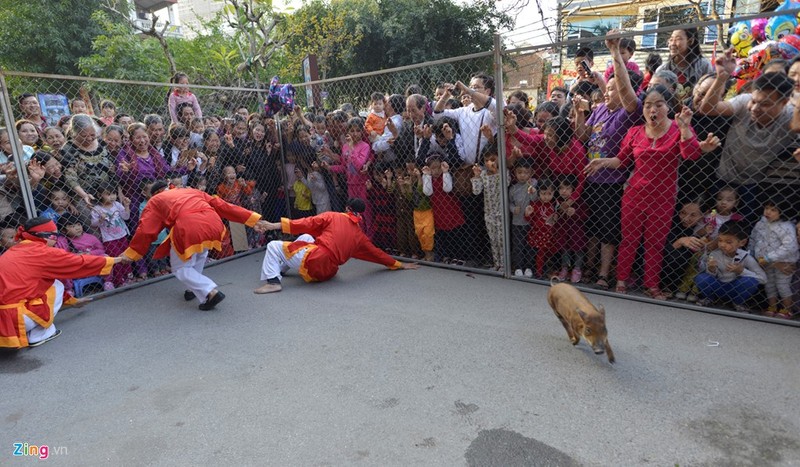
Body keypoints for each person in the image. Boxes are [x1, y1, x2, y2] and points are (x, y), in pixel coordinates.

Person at [585, 86, 718, 300]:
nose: (652, 109)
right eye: (648, 105)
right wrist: (602, 162)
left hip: (663, 198)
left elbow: (690, 154)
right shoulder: (634, 132)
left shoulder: (678, 128)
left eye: (658, 104)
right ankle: (621, 279)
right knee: (629, 240)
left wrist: (685, 129)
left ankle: (651, 285)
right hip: (634, 195)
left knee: (654, 243)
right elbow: (621, 160)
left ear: (668, 107)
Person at [122, 181, 269, 310]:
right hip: (213, 223)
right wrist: (251, 219)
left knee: (180, 268)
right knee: (199, 255)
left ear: (153, 194)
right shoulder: (190, 190)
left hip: (190, 227)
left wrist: (132, 253)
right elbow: (223, 205)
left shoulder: (154, 201)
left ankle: (210, 291)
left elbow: (146, 230)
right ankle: (192, 289)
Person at [697, 59, 800, 226]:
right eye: (754, 101)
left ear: (784, 102)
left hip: (754, 184)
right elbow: (708, 108)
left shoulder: (790, 115)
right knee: (712, 224)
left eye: (765, 104)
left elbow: (796, 126)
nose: (755, 108)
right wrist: (721, 78)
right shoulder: (744, 101)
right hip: (723, 177)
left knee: (744, 227)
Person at [0, 217, 121, 349]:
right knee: (57, 284)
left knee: (51, 283)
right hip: (13, 317)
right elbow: (77, 262)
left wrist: (72, 301)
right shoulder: (41, 252)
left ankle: (28, 329)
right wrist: (114, 260)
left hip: (5, 316)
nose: (56, 239)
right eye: (54, 235)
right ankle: (39, 334)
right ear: (43, 236)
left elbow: (38, 285)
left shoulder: (15, 250)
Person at [254, 198, 419, 294]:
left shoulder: (332, 216)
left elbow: (305, 222)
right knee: (305, 237)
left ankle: (274, 282)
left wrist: (273, 225)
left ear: (347, 208)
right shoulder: (360, 236)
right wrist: (399, 264)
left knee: (274, 246)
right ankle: (282, 269)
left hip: (315, 261)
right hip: (329, 271)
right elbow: (376, 254)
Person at [694, 221, 766, 311]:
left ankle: (737, 302)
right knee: (702, 278)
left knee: (750, 282)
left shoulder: (746, 257)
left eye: (728, 242)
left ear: (742, 242)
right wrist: (711, 269)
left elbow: (763, 279)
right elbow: (709, 277)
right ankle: (709, 298)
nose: (722, 245)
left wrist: (742, 271)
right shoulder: (715, 254)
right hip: (717, 286)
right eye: (720, 240)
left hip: (735, 288)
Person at [750, 200, 799, 318]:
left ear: (782, 212)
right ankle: (772, 307)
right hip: (764, 261)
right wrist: (752, 254)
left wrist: (769, 257)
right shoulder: (761, 223)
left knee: (782, 285)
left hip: (784, 261)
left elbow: (790, 246)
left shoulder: (786, 226)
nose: (768, 212)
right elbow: (753, 239)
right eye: (767, 208)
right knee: (769, 284)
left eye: (773, 210)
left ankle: (787, 309)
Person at [655, 28, 714, 93]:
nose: (672, 43)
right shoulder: (662, 70)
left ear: (690, 41)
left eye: (678, 39)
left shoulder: (703, 65)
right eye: (671, 39)